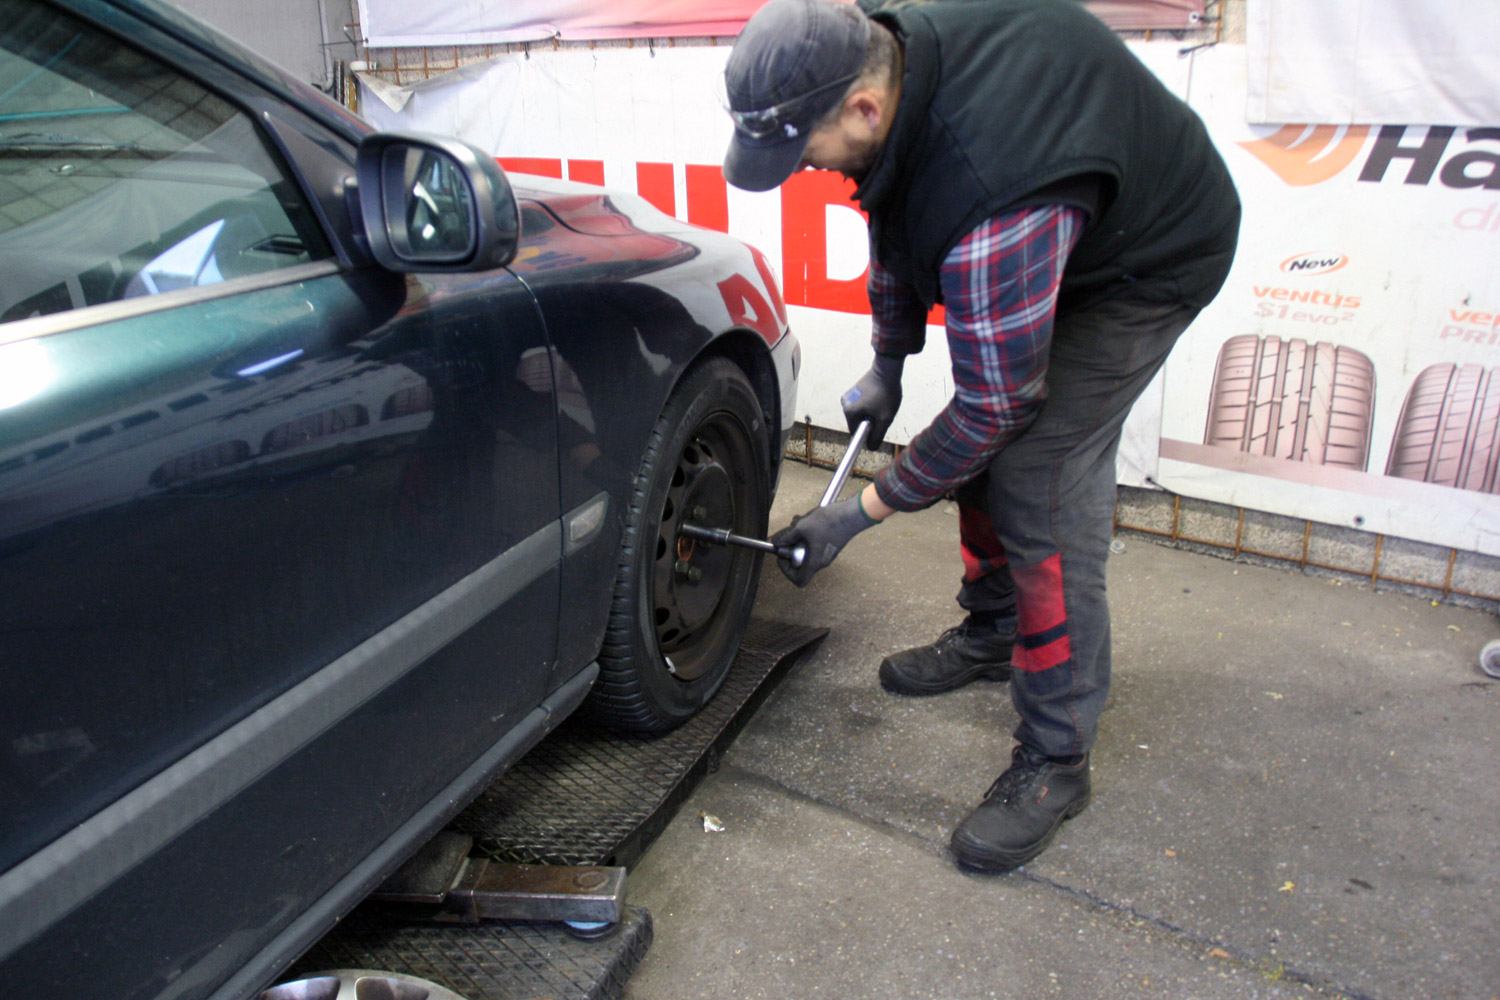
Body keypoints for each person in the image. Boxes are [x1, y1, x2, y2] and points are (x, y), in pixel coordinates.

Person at [721, 0, 1240, 870]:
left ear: (861, 110)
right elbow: (894, 206)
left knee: (1036, 472)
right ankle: (998, 631)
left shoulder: (998, 184)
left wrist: (859, 513)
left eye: (800, 147)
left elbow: (999, 407)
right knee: (986, 447)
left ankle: (1058, 756)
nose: (802, 168)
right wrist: (888, 358)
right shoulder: (890, 62)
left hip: (1148, 260)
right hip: (1063, 202)